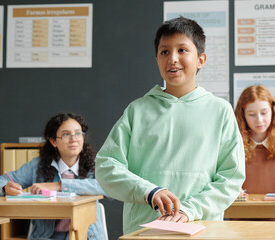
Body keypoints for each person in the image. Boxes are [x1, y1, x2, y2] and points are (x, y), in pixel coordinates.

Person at [95, 16, 245, 234]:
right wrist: (149, 191)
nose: (173, 58)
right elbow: (106, 166)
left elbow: (231, 178)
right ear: (156, 59)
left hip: (203, 228)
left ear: (201, 59)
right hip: (144, 230)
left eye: (182, 50)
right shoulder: (137, 111)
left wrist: (188, 210)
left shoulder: (220, 111)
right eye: (164, 52)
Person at [0, 113, 107, 240]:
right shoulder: (37, 166)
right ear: (53, 141)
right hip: (47, 237)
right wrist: (5, 188)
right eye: (66, 134)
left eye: (78, 133)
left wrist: (60, 185)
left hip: (86, 236)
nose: (74, 139)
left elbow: (109, 188)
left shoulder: (95, 165)